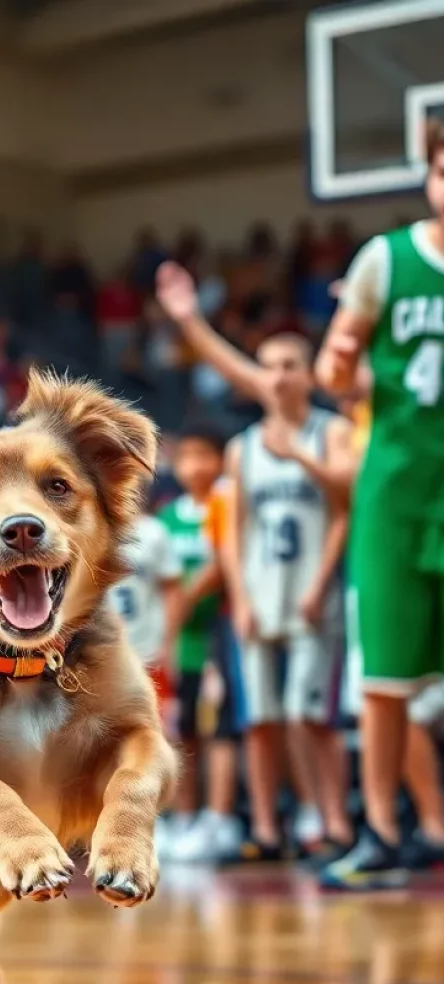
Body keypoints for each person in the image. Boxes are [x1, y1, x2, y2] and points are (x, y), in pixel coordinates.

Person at [156, 262, 353, 863]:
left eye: (290, 364)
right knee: (261, 720)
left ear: (309, 373)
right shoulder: (241, 450)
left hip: (313, 593)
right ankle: (267, 828)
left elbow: (345, 505)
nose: (278, 375)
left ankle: (333, 822)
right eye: (268, 365)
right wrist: (238, 597)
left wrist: (300, 458)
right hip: (259, 597)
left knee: (308, 717)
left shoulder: (332, 431)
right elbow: (233, 535)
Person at [315, 124, 444, 887]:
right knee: (386, 679)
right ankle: (380, 830)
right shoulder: (385, 259)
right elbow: (340, 366)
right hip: (397, 489)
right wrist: (337, 361)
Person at [156, 422, 243, 862]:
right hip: (179, 643)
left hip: (218, 636)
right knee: (182, 731)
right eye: (186, 456)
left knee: (220, 729)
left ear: (221, 460)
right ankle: (185, 817)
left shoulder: (228, 508)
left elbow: (225, 567)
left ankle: (219, 817)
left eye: (203, 455)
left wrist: (188, 596)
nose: (194, 466)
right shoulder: (167, 519)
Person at [107, 507, 181, 729]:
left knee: (155, 728)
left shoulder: (154, 532)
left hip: (148, 649)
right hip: (101, 651)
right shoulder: (89, 528)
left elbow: (173, 590)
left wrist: (169, 642)